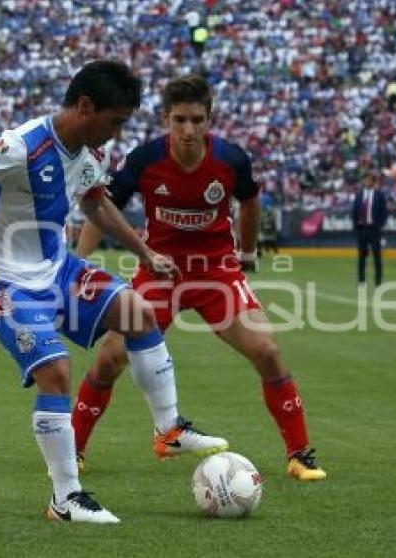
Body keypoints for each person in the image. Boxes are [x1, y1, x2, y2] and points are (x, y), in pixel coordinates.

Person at [0, 60, 228, 524]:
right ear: (84, 106)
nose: (116, 134)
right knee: (56, 372)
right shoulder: (21, 145)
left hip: (57, 269)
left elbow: (95, 201)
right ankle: (66, 500)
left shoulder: (93, 153)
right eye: (114, 122)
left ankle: (169, 429)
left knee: (139, 314)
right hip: (5, 283)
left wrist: (144, 253)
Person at [73, 74, 326, 482]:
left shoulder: (230, 159)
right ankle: (74, 449)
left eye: (196, 120)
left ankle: (299, 455)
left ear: (209, 120)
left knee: (268, 351)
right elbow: (100, 207)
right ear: (166, 119)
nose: (188, 130)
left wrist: (245, 253)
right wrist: (79, 263)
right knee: (111, 356)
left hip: (215, 273)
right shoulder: (143, 160)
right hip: (160, 271)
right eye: (179, 120)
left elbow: (249, 201)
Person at [351, 172, 389, 285]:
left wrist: (379, 225)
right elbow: (354, 211)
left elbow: (384, 212)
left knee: (377, 255)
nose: (366, 182)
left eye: (368, 180)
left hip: (374, 229)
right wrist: (356, 226)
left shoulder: (379, 195)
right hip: (362, 228)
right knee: (361, 255)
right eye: (364, 180)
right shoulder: (359, 194)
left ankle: (378, 280)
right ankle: (361, 279)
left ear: (373, 182)